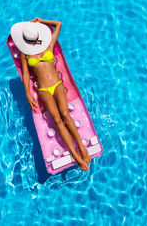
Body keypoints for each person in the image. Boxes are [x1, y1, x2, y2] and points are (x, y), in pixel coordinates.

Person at [11, 17, 91, 171]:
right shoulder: (25, 53)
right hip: (43, 89)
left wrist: (41, 21)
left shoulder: (48, 43)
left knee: (66, 115)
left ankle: (82, 147)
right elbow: (26, 74)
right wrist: (28, 93)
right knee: (57, 120)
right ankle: (76, 155)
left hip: (57, 84)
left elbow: (58, 24)